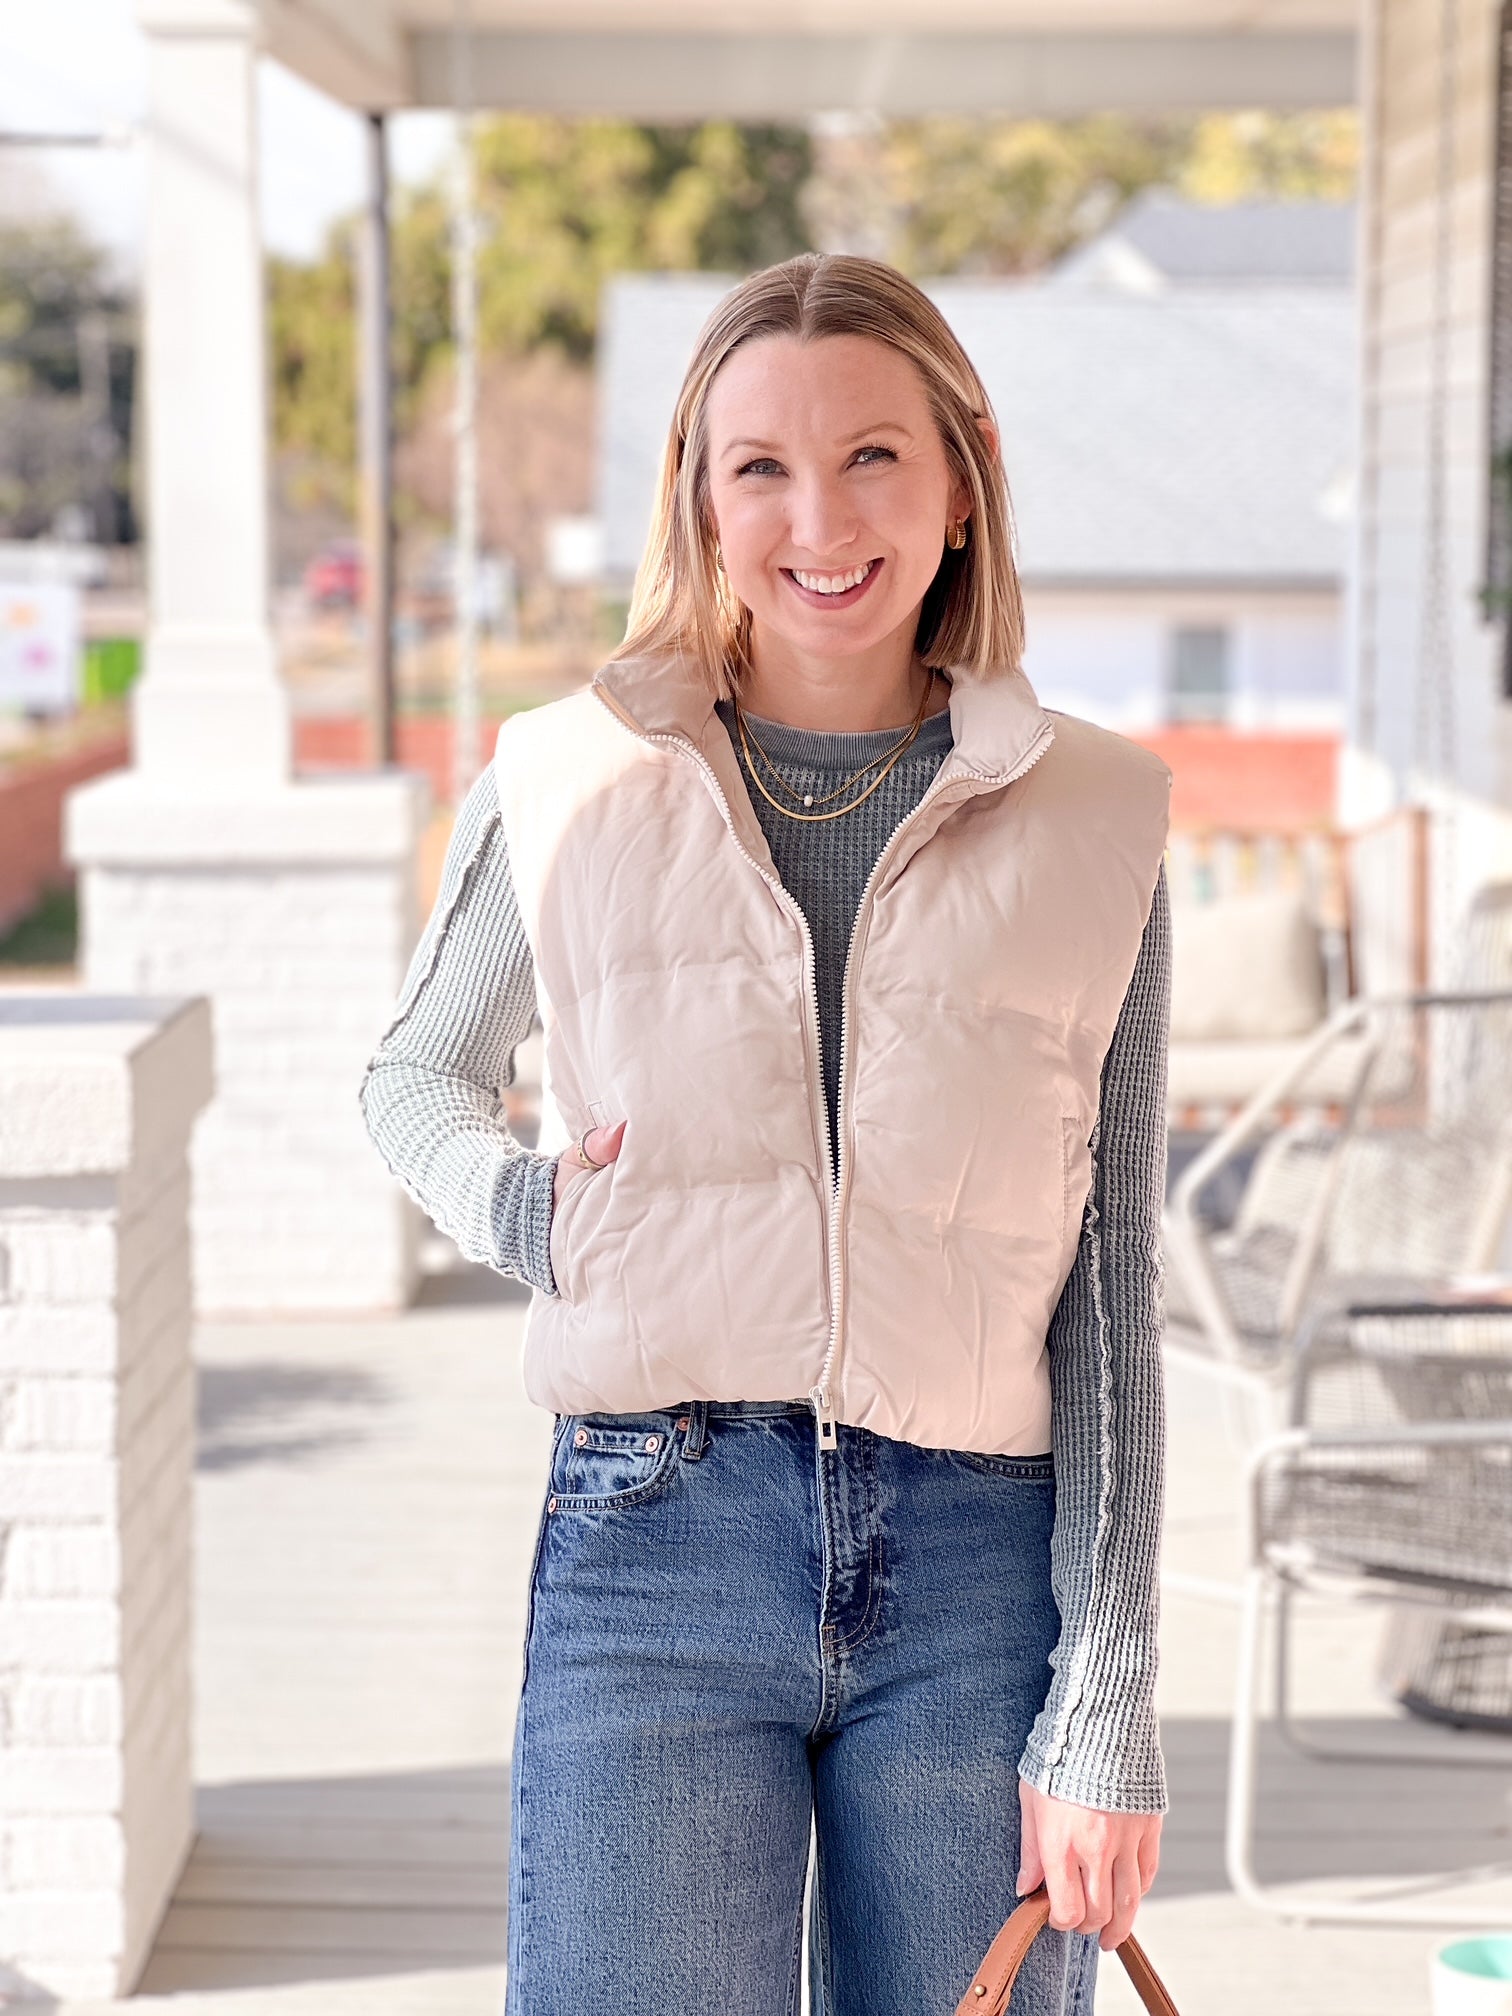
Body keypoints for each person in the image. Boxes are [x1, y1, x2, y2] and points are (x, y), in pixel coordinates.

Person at [359, 251, 1172, 2016]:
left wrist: (1106, 1694)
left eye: (876, 456)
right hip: (656, 1539)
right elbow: (407, 1076)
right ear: (700, 500)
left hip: (979, 1570)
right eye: (762, 468)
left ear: (962, 478)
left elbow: (1110, 1298)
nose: (823, 516)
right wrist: (526, 1215)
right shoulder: (567, 784)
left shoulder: (1099, 818)